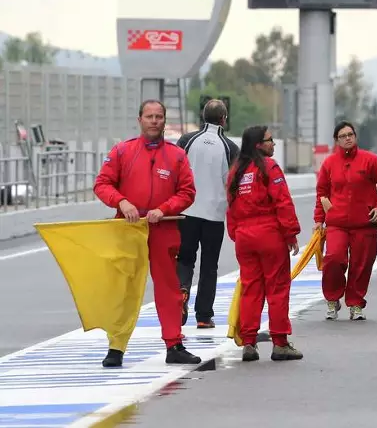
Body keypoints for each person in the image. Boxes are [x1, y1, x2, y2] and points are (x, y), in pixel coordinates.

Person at [92, 99, 202, 368]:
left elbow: (187, 192)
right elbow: (102, 184)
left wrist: (164, 209)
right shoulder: (122, 151)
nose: (154, 121)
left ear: (165, 121)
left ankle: (174, 344)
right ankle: (116, 347)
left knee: (169, 289)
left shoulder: (177, 156)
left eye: (159, 117)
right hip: (128, 230)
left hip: (163, 229)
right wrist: (121, 202)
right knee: (124, 290)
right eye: (149, 116)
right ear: (139, 119)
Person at [226, 125, 303, 362]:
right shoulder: (269, 167)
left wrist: (237, 234)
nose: (273, 144)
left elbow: (230, 207)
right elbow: (282, 202)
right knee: (277, 288)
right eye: (269, 141)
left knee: (251, 288)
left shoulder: (235, 171)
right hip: (269, 234)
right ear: (259, 144)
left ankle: (249, 342)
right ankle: (280, 342)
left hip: (244, 238)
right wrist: (290, 233)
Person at [314, 121, 377, 320]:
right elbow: (322, 193)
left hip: (365, 224)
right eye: (343, 136)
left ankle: (356, 304)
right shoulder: (329, 164)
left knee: (362, 264)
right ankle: (332, 300)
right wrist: (319, 220)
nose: (348, 138)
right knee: (333, 258)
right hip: (337, 223)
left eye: (350, 134)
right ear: (337, 140)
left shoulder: (370, 160)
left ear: (355, 136)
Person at [175, 99, 239, 329]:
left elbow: (174, 169)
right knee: (209, 266)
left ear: (203, 117)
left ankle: (182, 289)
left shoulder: (186, 140)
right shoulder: (230, 147)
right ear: (224, 119)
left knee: (184, 259)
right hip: (214, 215)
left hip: (187, 211)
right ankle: (203, 316)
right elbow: (233, 184)